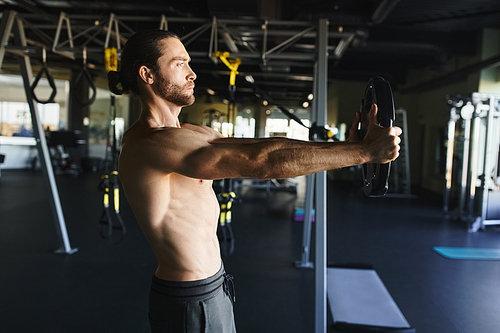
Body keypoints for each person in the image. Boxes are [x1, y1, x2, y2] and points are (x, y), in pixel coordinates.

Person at [108, 29, 401, 333]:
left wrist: (345, 147)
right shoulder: (149, 145)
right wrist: (363, 152)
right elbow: (262, 163)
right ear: (148, 74)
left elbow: (261, 146)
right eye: (180, 64)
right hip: (189, 297)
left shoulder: (194, 133)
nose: (192, 73)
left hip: (212, 285)